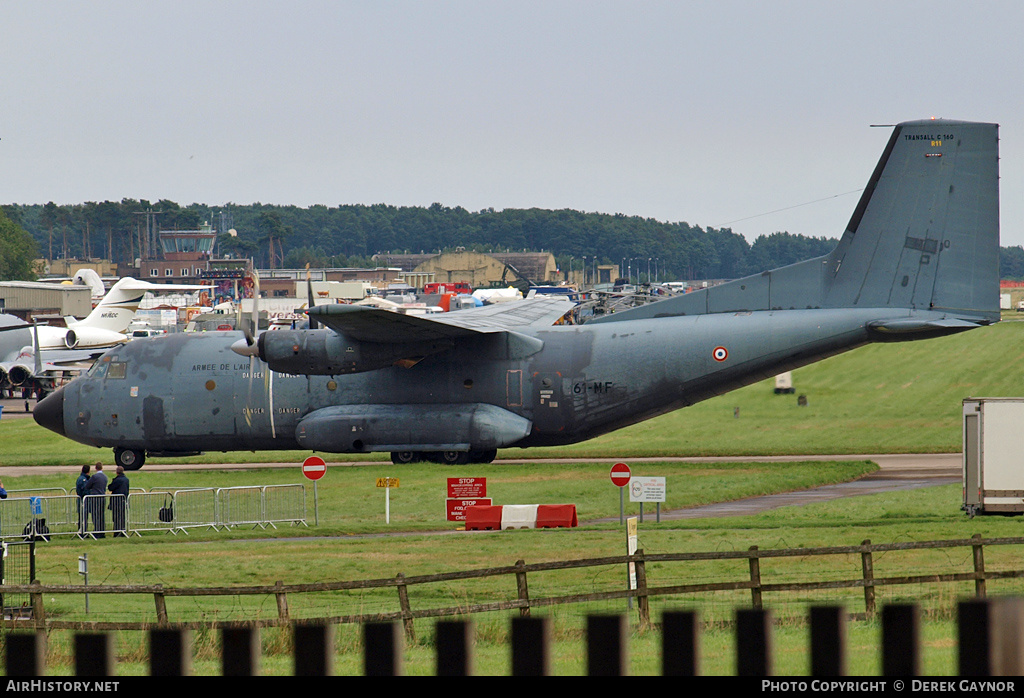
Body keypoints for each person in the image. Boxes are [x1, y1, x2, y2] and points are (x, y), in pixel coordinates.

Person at [84, 462, 108, 538]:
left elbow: (87, 486)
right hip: (102, 497)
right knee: (101, 515)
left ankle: (97, 531)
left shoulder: (94, 477)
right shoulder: (105, 477)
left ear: (95, 468)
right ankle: (102, 531)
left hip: (95, 497)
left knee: (95, 515)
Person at [107, 466, 129, 537]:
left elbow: (110, 487)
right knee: (122, 517)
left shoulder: (118, 480)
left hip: (116, 501)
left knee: (116, 517)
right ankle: (122, 530)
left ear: (117, 472)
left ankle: (117, 532)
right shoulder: (126, 479)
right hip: (123, 500)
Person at [75, 464, 91, 533]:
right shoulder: (83, 479)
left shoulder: (82, 478)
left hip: (83, 500)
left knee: (84, 516)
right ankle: (82, 531)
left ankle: (83, 530)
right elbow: (84, 489)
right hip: (82, 500)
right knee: (83, 516)